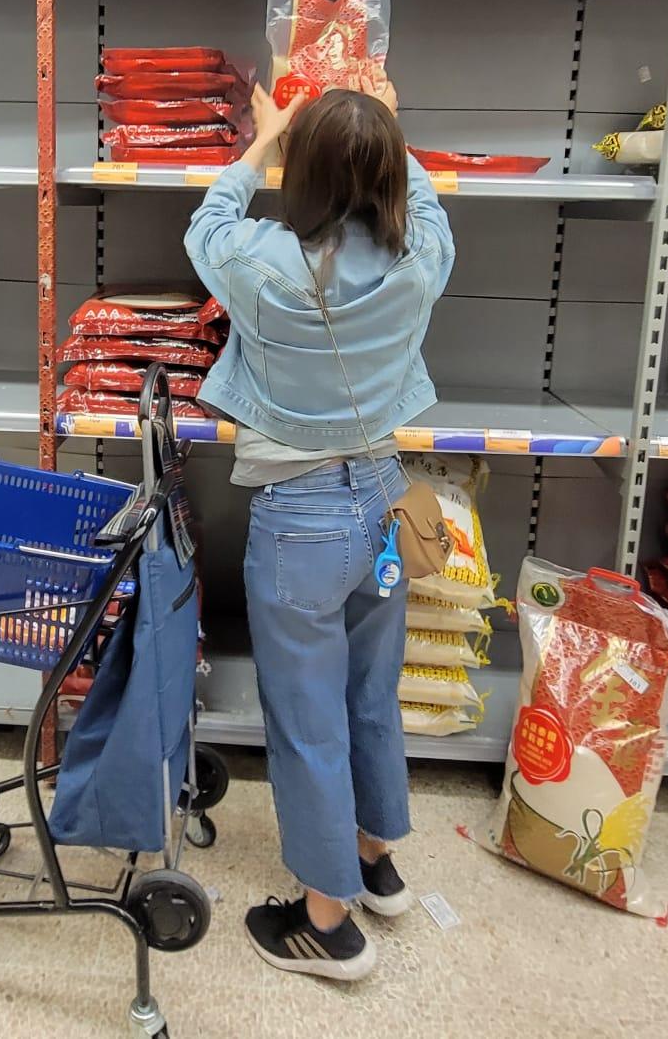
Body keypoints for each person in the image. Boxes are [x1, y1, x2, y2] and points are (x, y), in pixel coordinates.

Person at [184, 80, 456, 980]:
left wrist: (266, 139)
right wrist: (382, 125)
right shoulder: (421, 258)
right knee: (371, 692)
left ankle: (327, 925)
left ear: (299, 176)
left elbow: (205, 224)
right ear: (389, 175)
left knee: (306, 720)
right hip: (384, 505)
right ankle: (376, 863)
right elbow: (420, 201)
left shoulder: (259, 261)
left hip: (300, 520)